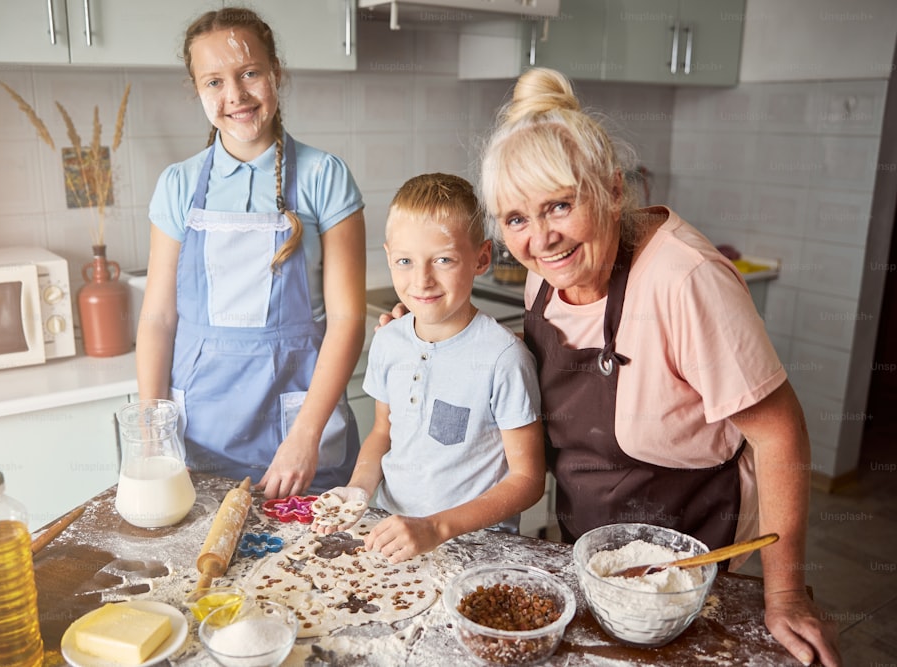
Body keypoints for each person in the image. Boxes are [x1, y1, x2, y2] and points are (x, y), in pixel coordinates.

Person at [474, 67, 840, 666]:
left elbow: (779, 432)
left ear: (613, 191)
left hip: (697, 565)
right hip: (593, 552)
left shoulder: (684, 280)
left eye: (560, 205)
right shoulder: (545, 277)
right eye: (516, 218)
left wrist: (786, 594)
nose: (540, 239)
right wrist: (432, 336)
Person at [136, 7, 366, 499]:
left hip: (298, 431)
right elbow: (157, 319)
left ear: (275, 73)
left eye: (250, 73)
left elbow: (348, 318)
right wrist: (151, 434)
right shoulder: (178, 185)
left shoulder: (325, 176)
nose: (235, 95)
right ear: (196, 90)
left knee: (309, 572)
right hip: (199, 432)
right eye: (213, 81)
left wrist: (305, 437)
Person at [313, 173, 546, 565]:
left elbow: (527, 480)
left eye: (444, 260)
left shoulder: (503, 357)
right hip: (393, 535)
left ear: (482, 258)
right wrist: (357, 489)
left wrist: (436, 528)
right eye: (405, 261)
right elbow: (382, 432)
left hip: (477, 551)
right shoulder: (389, 342)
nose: (421, 280)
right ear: (389, 257)